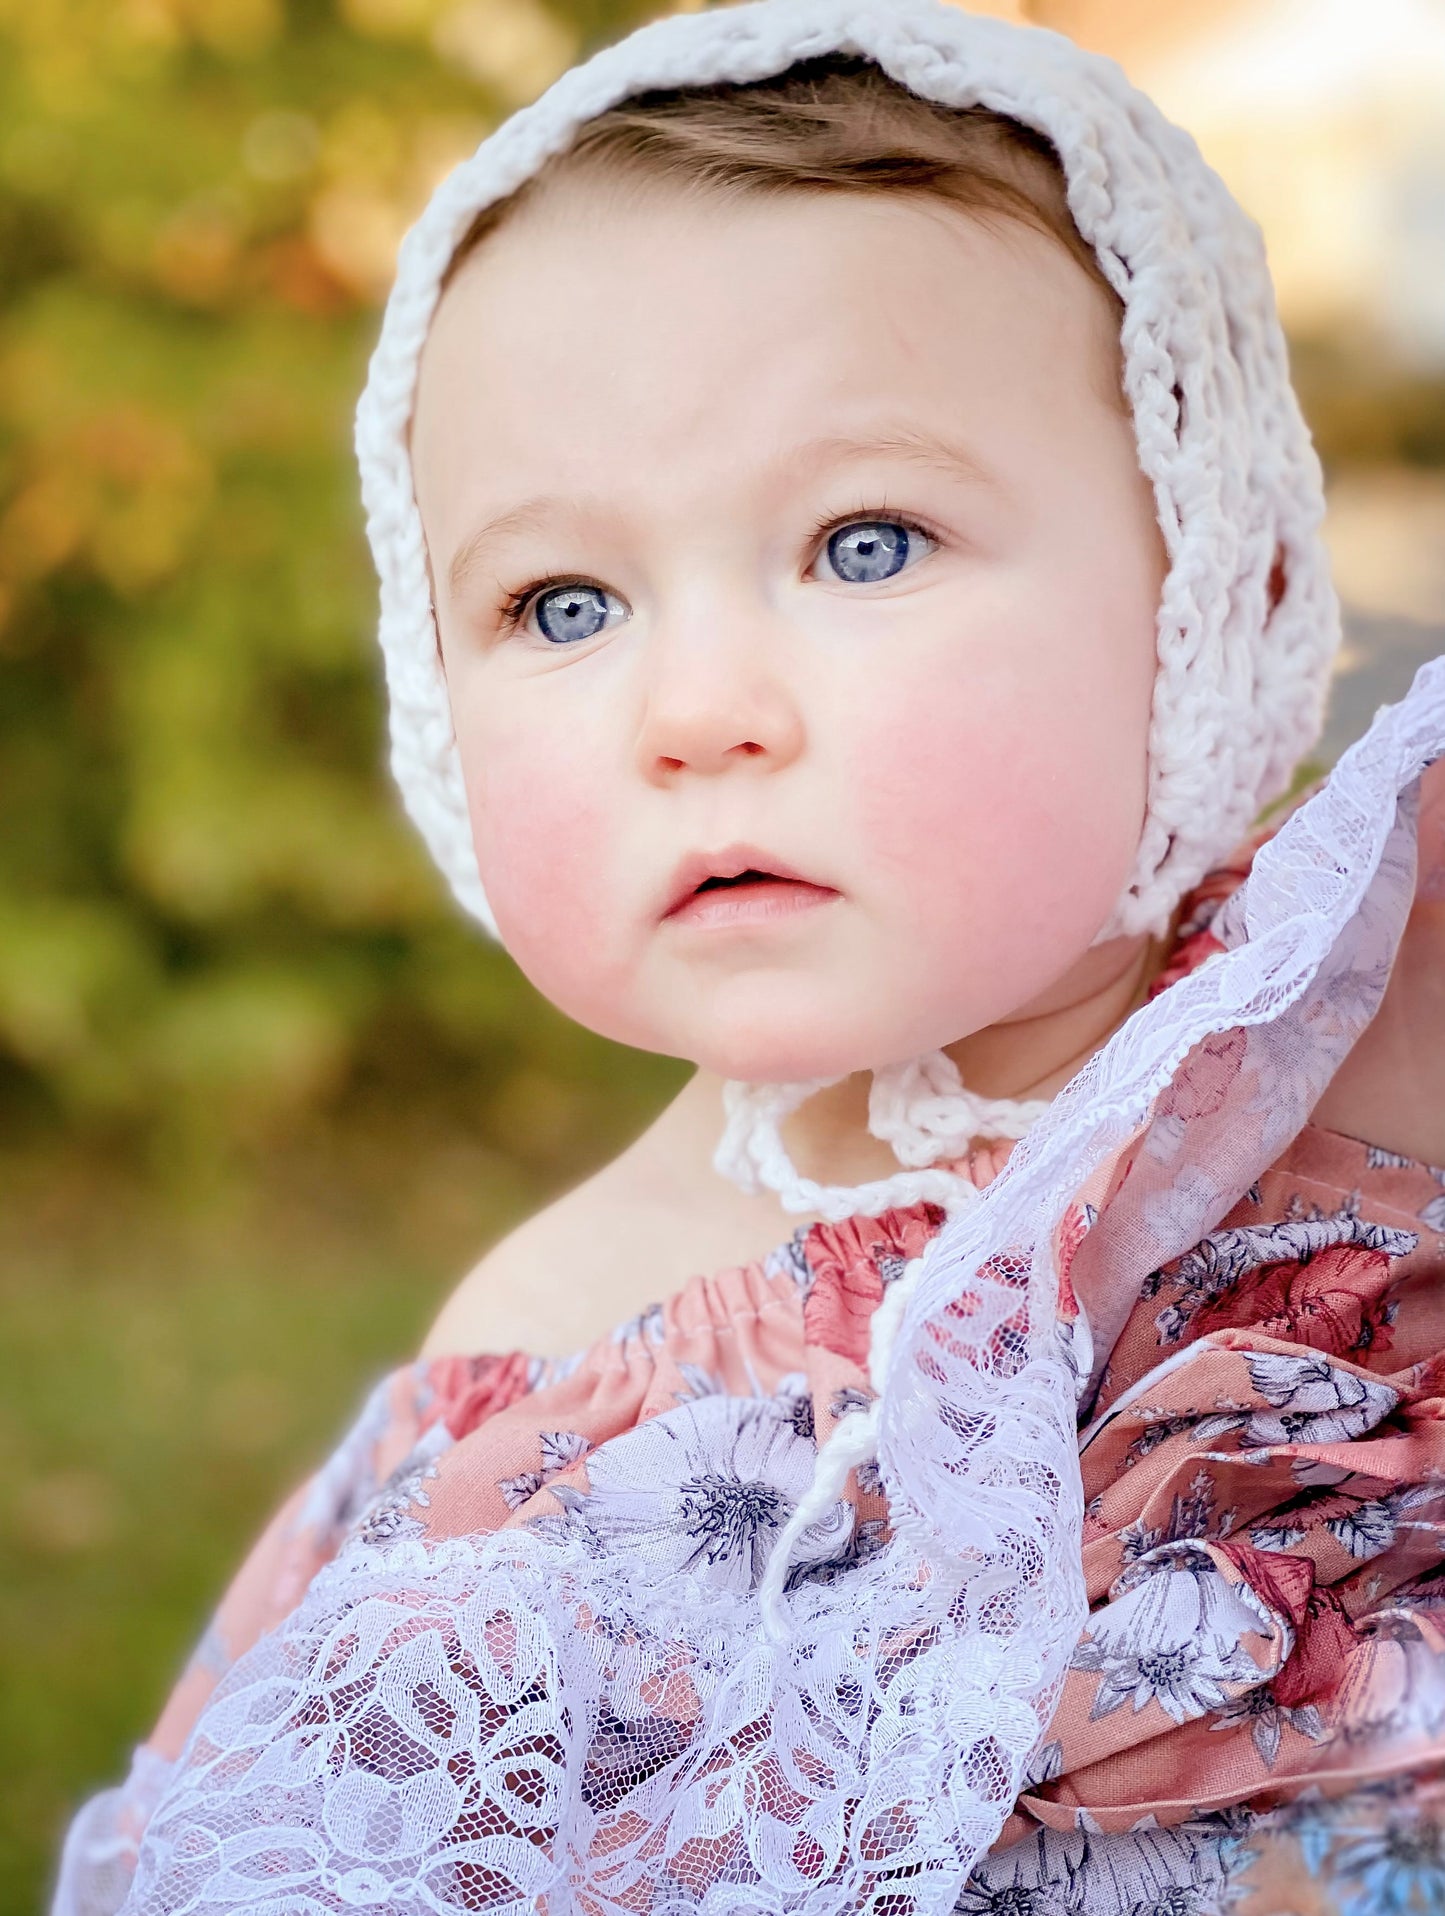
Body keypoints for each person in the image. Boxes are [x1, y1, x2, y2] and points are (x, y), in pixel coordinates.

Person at [52, 2, 1445, 1911]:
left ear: (1218, 581)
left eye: (865, 544)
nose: (694, 712)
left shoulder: (1365, 1007)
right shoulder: (543, 1408)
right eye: (562, 602)